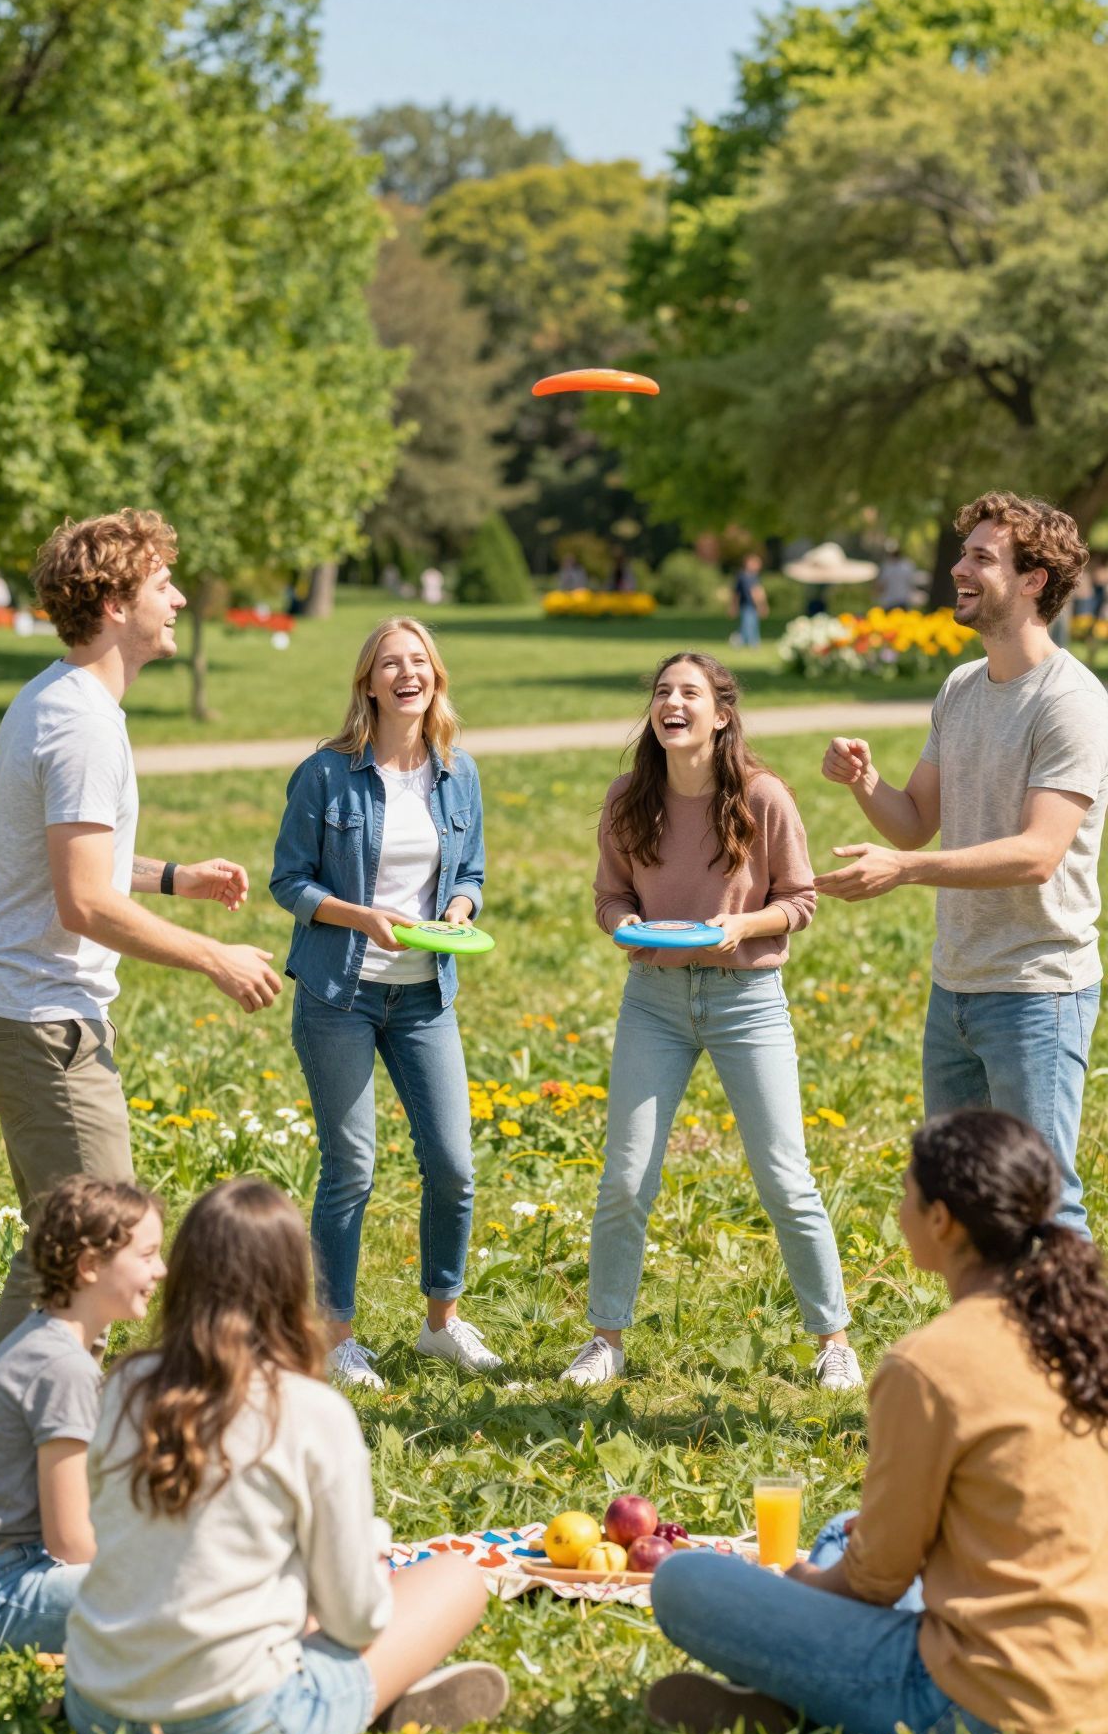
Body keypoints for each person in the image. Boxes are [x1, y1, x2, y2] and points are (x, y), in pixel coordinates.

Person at [645, 1109, 1108, 1734]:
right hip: (1093, 1682)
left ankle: (801, 1699)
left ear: (941, 1219)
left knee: (683, 1581)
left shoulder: (930, 1363)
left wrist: (802, 1585)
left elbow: (874, 1581)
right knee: (841, 1529)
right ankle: (797, 1695)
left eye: (907, 1195)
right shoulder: (1083, 1329)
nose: (899, 1210)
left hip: (981, 1705)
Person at [0, 510, 282, 1354]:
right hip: (43, 1021)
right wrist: (214, 957)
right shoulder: (83, 725)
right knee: (101, 1254)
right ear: (111, 603)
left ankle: (3, 1448)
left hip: (17, 1010)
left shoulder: (56, 697)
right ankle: (38, 1451)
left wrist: (174, 877)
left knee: (59, 1248)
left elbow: (71, 854)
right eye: (160, 582)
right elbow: (83, 904)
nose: (177, 596)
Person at [64, 1179, 509, 1734]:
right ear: (293, 1283)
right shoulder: (310, 1410)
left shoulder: (124, 1385)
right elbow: (357, 1620)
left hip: (97, 1704)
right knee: (455, 1578)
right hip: (239, 1719)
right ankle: (370, 1701)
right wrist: (371, 1549)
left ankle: (373, 1699)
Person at [559, 652, 860, 1391]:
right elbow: (609, 897)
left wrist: (741, 926)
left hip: (746, 1001)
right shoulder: (629, 796)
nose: (671, 702)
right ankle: (606, 1339)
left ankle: (834, 1341)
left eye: (688, 692)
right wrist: (627, 923)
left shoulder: (762, 797)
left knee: (785, 1176)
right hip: (654, 1003)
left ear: (721, 714)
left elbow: (800, 898)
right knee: (626, 1178)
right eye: (662, 691)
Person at [818, 490, 1108, 1236]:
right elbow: (914, 823)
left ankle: (1073, 1353)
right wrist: (864, 783)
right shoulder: (960, 688)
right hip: (957, 989)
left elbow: (1040, 853)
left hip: (1037, 992)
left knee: (1044, 1202)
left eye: (982, 557)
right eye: (965, 553)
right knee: (963, 1199)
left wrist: (903, 873)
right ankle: (987, 1349)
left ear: (1034, 579)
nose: (960, 568)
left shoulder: (1070, 701)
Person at [270, 617, 499, 1388]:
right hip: (341, 992)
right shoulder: (327, 774)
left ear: (436, 676)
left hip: (425, 996)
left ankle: (443, 1322)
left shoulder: (455, 771)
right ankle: (335, 1337)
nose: (409, 673)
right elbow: (289, 882)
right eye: (391, 664)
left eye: (421, 661)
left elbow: (468, 873)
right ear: (368, 682)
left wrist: (459, 915)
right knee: (352, 1167)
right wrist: (362, 916)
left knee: (455, 1165)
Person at [0, 1178, 166, 1656]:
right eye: (148, 1255)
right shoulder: (62, 1367)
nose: (163, 1270)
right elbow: (72, 1540)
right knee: (188, 1594)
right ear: (91, 1265)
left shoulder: (44, 1340)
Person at [732, 552, 768, 647]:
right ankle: (746, 641)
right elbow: (753, 593)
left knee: (751, 624)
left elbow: (759, 592)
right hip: (747, 605)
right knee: (748, 625)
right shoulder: (745, 577)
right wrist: (760, 606)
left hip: (751, 605)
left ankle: (751, 641)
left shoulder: (754, 577)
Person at [874, 544, 918, 613]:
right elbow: (912, 583)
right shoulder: (908, 566)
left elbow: (881, 585)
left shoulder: (887, 566)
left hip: (889, 601)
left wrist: (877, 595)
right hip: (903, 600)